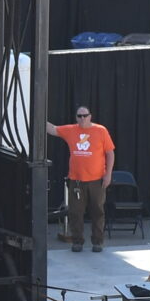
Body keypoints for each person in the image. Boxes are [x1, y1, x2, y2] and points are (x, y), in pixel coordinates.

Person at [51, 104, 116, 250]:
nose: (82, 119)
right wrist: (36, 115)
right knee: (75, 213)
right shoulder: (71, 130)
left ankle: (98, 242)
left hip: (96, 180)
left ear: (90, 116)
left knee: (97, 212)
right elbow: (53, 129)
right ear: (76, 117)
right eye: (79, 116)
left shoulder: (101, 130)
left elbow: (110, 153)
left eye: (84, 116)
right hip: (77, 181)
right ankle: (77, 241)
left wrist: (108, 174)